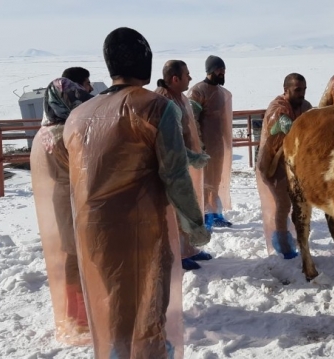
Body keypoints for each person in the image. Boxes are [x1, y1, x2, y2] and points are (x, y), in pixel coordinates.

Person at [63, 27, 209, 359]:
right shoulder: (155, 108)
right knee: (148, 304)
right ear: (145, 60)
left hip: (91, 228)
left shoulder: (79, 115)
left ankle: (119, 352)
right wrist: (194, 224)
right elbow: (174, 174)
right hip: (139, 229)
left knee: (116, 299)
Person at [30, 68, 94, 346]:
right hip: (77, 198)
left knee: (71, 254)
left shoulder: (44, 132)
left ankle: (74, 312)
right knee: (84, 255)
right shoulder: (67, 133)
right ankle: (85, 316)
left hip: (60, 198)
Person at [155, 60, 214, 271]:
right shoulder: (162, 101)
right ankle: (177, 254)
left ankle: (189, 249)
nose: (190, 77)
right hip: (171, 165)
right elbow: (168, 144)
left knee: (188, 205)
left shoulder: (179, 98)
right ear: (175, 79)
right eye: (187, 74)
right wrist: (190, 156)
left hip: (184, 160)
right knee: (175, 211)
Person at [255, 73, 312, 259]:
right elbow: (282, 125)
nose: (302, 94)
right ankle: (282, 243)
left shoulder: (304, 106)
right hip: (274, 164)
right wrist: (289, 126)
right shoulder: (277, 108)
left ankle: (297, 237)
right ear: (286, 90)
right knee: (283, 202)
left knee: (298, 201)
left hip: (295, 163)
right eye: (297, 90)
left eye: (303, 90)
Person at [188, 55, 234, 231]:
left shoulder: (221, 93)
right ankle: (204, 215)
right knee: (204, 181)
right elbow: (192, 119)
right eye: (218, 69)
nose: (221, 72)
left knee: (215, 180)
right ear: (209, 71)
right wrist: (199, 142)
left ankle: (216, 213)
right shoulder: (198, 91)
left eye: (223, 69)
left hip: (218, 146)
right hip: (204, 146)